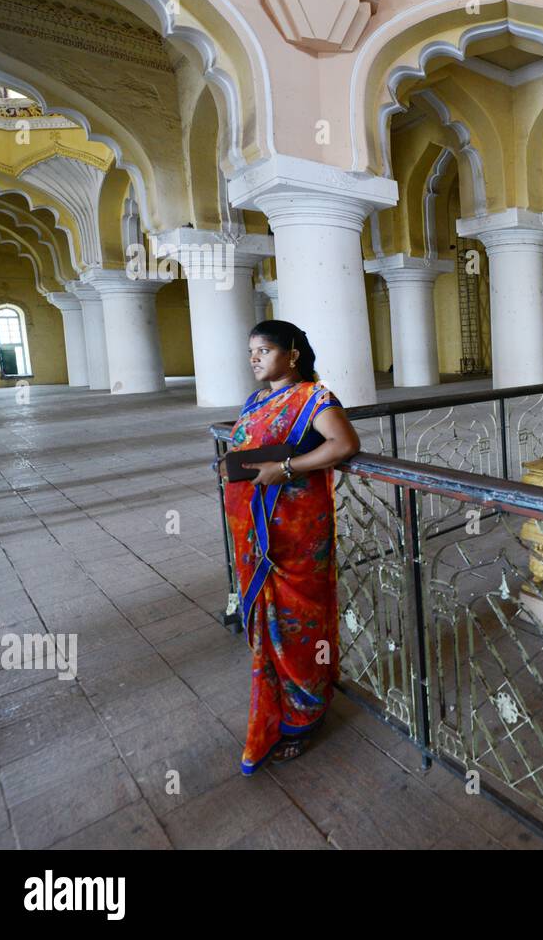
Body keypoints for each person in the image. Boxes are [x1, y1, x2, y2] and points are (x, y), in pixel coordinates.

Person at [218, 320, 360, 775]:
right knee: (267, 620)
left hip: (296, 533)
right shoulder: (257, 400)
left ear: (292, 354)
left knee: (299, 618)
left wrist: (286, 467)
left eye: (264, 350)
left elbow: (344, 444)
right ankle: (280, 703)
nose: (254, 358)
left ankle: (306, 714)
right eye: (251, 351)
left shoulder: (315, 397)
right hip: (255, 529)